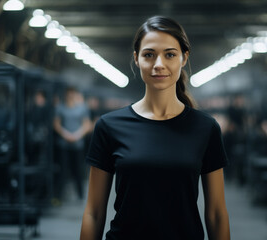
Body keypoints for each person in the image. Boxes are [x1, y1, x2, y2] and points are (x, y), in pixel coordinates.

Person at [80, 16, 230, 240]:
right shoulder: (109, 126)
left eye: (170, 54)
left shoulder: (205, 128)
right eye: (149, 54)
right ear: (137, 59)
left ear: (183, 58)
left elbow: (217, 213)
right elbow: (94, 212)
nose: (159, 64)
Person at [54, 87, 92, 201]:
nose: (70, 95)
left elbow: (87, 124)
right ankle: (59, 196)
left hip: (77, 144)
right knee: (63, 170)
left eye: (72, 93)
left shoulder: (82, 108)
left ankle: (80, 196)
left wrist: (77, 135)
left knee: (78, 170)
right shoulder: (60, 108)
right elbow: (56, 123)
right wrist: (65, 134)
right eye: (69, 93)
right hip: (64, 144)